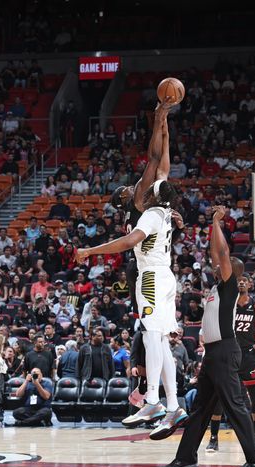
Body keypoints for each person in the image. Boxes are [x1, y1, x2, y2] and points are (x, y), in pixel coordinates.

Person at [161, 206, 255, 467]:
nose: (214, 266)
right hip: (212, 354)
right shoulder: (215, 289)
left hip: (224, 350)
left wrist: (216, 223)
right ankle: (186, 457)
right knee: (200, 409)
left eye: (220, 266)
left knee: (234, 404)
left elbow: (220, 253)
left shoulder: (229, 285)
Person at [76, 178, 187, 439]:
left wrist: (89, 251)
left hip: (150, 277)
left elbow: (128, 242)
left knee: (151, 337)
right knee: (160, 340)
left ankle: (151, 401)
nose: (139, 190)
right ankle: (173, 407)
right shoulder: (162, 212)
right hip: (165, 275)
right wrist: (163, 135)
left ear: (151, 197)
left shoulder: (150, 213)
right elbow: (158, 167)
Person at [107, 100, 174, 411]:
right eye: (122, 191)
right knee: (151, 331)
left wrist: (164, 124)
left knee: (156, 333)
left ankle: (159, 397)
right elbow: (155, 158)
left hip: (155, 269)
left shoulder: (152, 200)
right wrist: (159, 117)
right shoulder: (139, 200)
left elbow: (163, 161)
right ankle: (151, 394)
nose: (125, 188)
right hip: (144, 270)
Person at [206, 274, 255, 452]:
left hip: (248, 355)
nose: (241, 282)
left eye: (245, 280)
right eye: (238, 280)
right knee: (219, 396)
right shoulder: (228, 303)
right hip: (228, 353)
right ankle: (213, 438)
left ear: (250, 284)